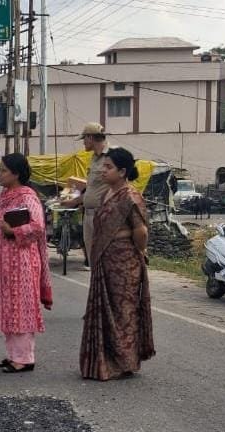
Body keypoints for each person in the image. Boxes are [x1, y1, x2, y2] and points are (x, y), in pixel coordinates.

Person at [80, 147, 155, 381]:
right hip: (105, 259)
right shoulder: (107, 193)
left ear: (122, 172)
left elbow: (141, 231)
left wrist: (139, 251)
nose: (103, 170)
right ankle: (105, 362)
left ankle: (124, 362)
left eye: (108, 167)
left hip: (124, 261)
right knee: (106, 311)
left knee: (123, 311)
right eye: (103, 166)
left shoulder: (130, 196)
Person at [0, 153, 53, 373]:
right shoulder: (6, 196)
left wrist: (13, 231)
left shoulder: (27, 197)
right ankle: (13, 354)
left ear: (16, 174)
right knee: (9, 307)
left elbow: (38, 227)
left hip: (22, 262)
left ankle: (24, 358)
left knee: (21, 307)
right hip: (4, 262)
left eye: (3, 170)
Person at [61, 122, 111, 267]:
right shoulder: (94, 158)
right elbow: (92, 189)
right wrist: (74, 201)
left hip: (103, 215)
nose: (83, 142)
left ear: (90, 137)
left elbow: (119, 186)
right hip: (89, 214)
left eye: (84, 139)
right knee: (93, 260)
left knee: (106, 260)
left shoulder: (112, 156)